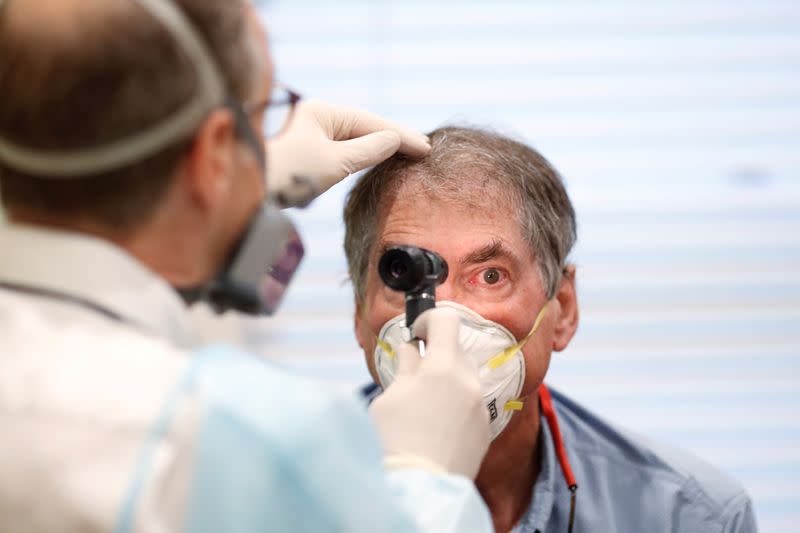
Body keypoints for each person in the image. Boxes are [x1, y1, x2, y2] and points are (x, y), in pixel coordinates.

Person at [0, 1, 495, 532]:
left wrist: (233, 186)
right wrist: (425, 478)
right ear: (213, 149)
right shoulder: (250, 438)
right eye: (262, 120)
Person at [344, 126, 759, 533]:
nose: (446, 318)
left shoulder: (689, 517)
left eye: (491, 276)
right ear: (360, 313)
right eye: (406, 276)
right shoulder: (285, 493)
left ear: (562, 309)